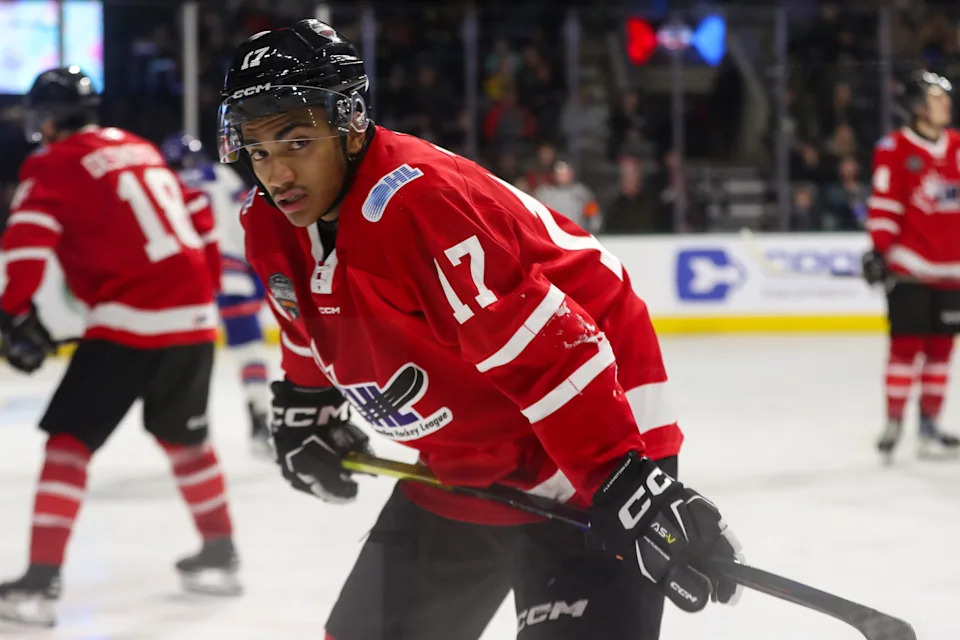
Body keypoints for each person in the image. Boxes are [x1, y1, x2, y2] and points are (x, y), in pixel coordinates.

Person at [219, 21, 742, 640]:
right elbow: (306, 322)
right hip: (468, 455)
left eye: (296, 142)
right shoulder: (267, 222)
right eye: (258, 151)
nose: (276, 173)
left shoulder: (418, 204)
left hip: (593, 436)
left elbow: (547, 355)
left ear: (351, 122)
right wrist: (305, 403)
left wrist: (626, 483)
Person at [0, 67, 241, 627]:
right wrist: (201, 289)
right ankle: (221, 555)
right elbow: (199, 215)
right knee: (186, 442)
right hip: (193, 319)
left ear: (50, 118)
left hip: (129, 319)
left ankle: (38, 586)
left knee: (68, 445)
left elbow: (26, 243)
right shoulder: (137, 147)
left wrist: (10, 312)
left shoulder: (52, 163)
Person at [864, 70, 960, 460]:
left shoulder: (956, 146)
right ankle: (893, 423)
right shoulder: (894, 148)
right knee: (905, 348)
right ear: (918, 105)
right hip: (911, 266)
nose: (946, 104)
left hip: (952, 270)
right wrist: (879, 250)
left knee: (941, 349)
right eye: (938, 98)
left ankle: (929, 425)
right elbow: (886, 204)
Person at [162, 132, 272, 457]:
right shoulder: (221, 175)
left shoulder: (165, 182)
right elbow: (248, 220)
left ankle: (191, 425)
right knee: (249, 348)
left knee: (189, 359)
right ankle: (259, 412)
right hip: (231, 275)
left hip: (186, 282)